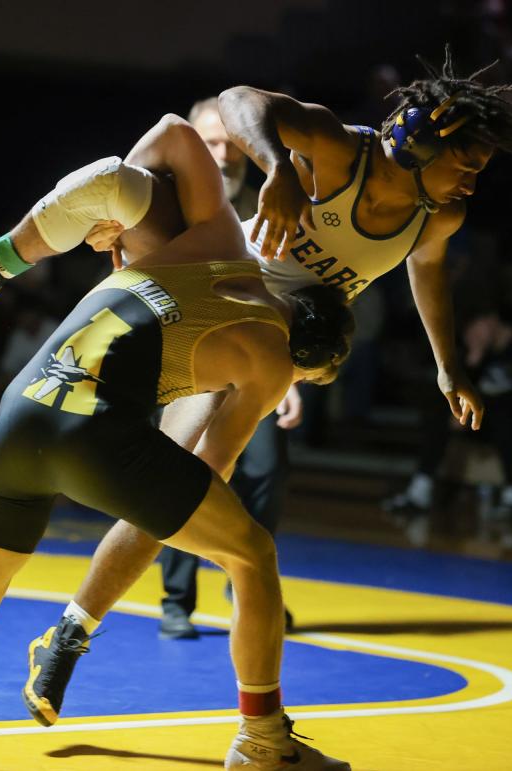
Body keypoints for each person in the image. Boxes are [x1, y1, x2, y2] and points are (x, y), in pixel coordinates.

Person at [0, 47, 512, 726]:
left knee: (183, 488)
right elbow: (238, 99)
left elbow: (427, 275)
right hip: (213, 280)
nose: (473, 185)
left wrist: (447, 365)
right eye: (468, 166)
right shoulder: (339, 151)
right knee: (119, 183)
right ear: (421, 145)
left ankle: (71, 632)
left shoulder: (439, 216)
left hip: (271, 340)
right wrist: (277, 168)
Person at [0, 114, 353, 771]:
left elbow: (171, 130)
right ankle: (262, 741)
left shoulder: (215, 235)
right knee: (251, 554)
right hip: (97, 431)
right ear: (314, 353)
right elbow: (210, 468)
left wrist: (117, 220)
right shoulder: (275, 355)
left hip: (23, 408)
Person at [157, 97, 299, 640]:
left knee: (266, 466)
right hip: (189, 362)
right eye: (210, 143)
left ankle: (243, 571)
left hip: (251, 360)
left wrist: (293, 371)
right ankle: (177, 599)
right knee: (183, 470)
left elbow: (281, 290)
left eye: (231, 144)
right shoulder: (169, 206)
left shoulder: (271, 207)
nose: (223, 154)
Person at [383, 306, 512, 522]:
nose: (469, 335)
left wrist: (480, 407)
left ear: (492, 320)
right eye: (466, 331)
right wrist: (474, 362)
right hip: (481, 422)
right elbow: (457, 391)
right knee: (438, 412)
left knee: (506, 417)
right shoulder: (474, 352)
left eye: (474, 327)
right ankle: (420, 490)